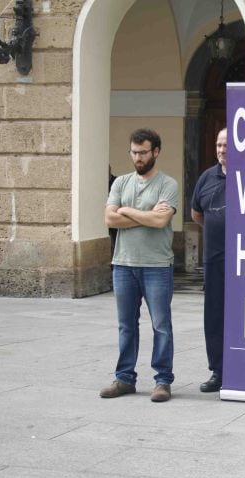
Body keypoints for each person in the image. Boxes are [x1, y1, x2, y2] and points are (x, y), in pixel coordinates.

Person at [100, 128, 178, 403]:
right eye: (134, 152)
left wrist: (126, 211)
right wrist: (145, 215)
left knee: (161, 325)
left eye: (143, 152)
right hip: (123, 264)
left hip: (157, 266)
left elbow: (160, 221)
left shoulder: (168, 184)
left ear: (156, 151)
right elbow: (110, 219)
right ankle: (124, 378)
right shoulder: (121, 183)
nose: (138, 158)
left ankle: (162, 381)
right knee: (126, 325)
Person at [191, 128, 228, 392]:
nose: (221, 150)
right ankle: (218, 371)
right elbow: (197, 214)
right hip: (214, 261)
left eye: (227, 145)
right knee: (214, 317)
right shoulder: (206, 177)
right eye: (218, 145)